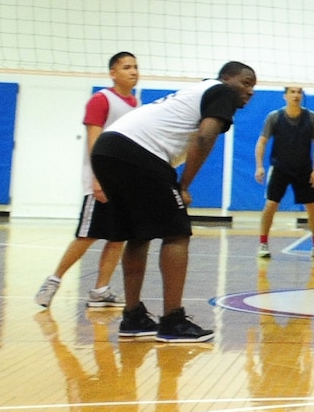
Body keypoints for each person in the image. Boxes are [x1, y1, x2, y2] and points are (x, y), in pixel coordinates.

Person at [92, 61, 258, 342]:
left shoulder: (197, 91)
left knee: (136, 234)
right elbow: (205, 137)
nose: (250, 91)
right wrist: (182, 185)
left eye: (253, 86)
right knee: (177, 233)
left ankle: (133, 317)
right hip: (139, 151)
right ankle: (172, 321)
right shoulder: (222, 92)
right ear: (227, 78)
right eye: (246, 82)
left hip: (107, 149)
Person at [36, 52, 139, 309]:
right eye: (127, 67)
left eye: (136, 67)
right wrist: (98, 178)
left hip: (125, 182)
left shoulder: (136, 104)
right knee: (87, 236)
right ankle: (54, 280)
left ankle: (100, 290)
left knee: (118, 238)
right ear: (113, 72)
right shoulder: (101, 100)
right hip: (102, 180)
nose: (134, 71)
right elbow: (94, 142)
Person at [255, 86, 314, 260]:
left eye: (299, 92)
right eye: (292, 92)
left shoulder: (312, 117)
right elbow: (262, 142)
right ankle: (263, 243)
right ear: (285, 96)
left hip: (304, 169)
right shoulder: (274, 117)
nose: (296, 95)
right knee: (271, 205)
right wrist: (259, 166)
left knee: (312, 207)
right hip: (280, 168)